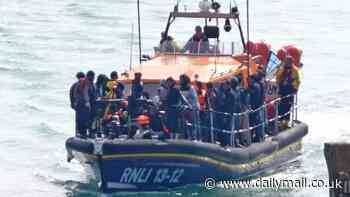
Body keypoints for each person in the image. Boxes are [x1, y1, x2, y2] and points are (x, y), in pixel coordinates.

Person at [276, 56, 300, 128]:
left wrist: (293, 88)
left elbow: (297, 81)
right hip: (282, 91)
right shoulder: (282, 69)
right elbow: (277, 77)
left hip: (289, 91)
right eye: (286, 61)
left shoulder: (295, 70)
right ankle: (280, 121)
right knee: (280, 107)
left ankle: (286, 122)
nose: (287, 63)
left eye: (289, 61)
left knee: (288, 107)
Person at [69, 72, 91, 137]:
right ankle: (83, 132)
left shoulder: (75, 85)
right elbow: (87, 95)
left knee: (80, 119)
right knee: (84, 119)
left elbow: (71, 95)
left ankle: (80, 132)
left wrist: (73, 103)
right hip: (83, 104)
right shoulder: (86, 84)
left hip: (79, 104)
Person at [179, 74, 200, 140]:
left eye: (182, 79)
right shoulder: (180, 89)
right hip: (184, 110)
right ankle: (185, 138)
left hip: (192, 110)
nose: (181, 80)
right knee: (184, 126)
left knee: (192, 125)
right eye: (180, 79)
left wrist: (190, 106)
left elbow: (194, 99)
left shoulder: (191, 89)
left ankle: (194, 137)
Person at [248, 75, 265, 143]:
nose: (248, 81)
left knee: (256, 122)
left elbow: (255, 97)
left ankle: (258, 137)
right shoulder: (256, 86)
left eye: (249, 79)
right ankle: (256, 136)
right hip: (255, 107)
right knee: (255, 122)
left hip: (255, 108)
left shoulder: (256, 86)